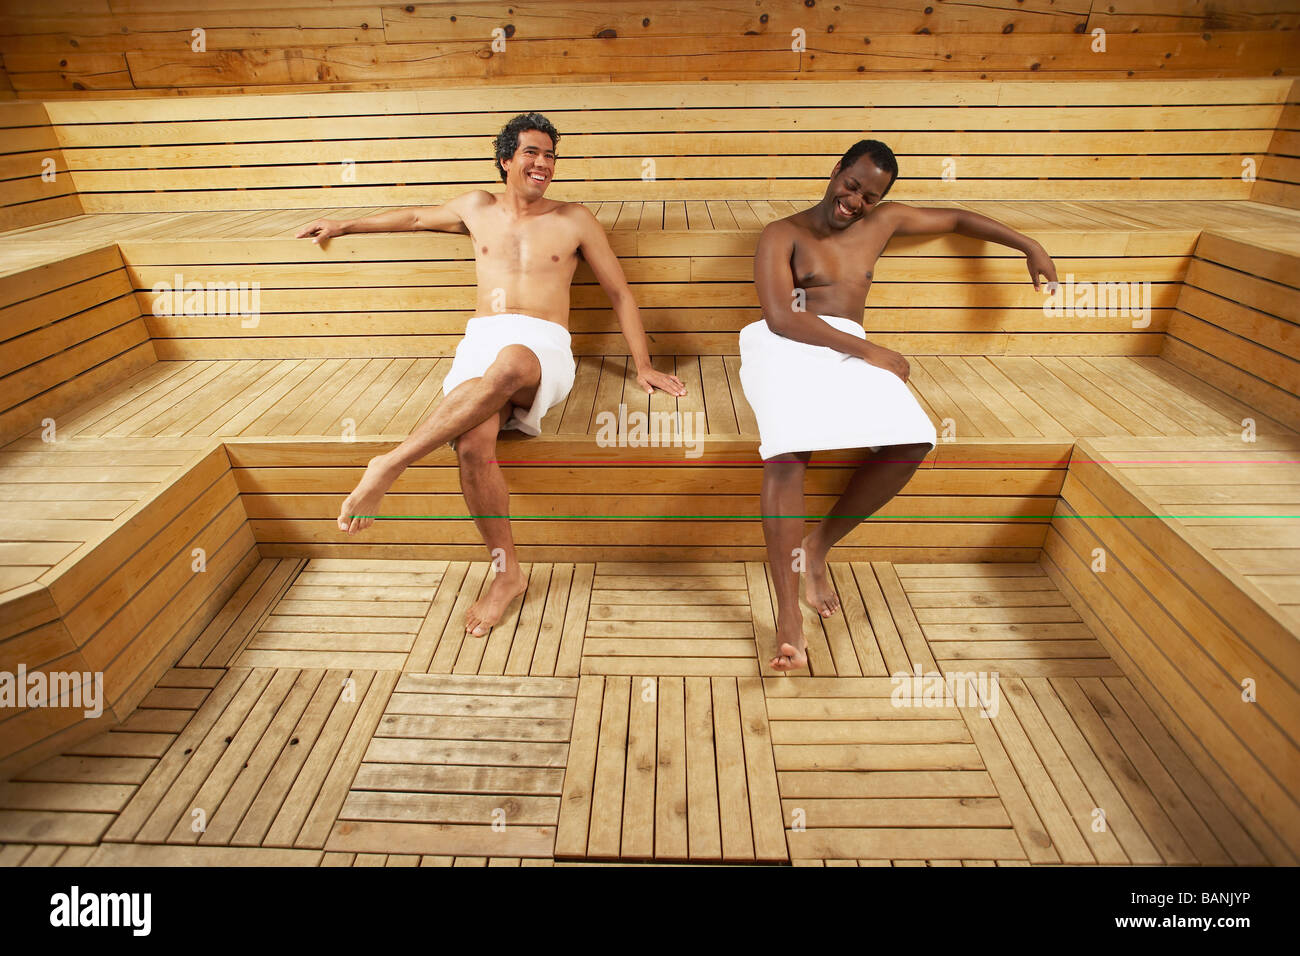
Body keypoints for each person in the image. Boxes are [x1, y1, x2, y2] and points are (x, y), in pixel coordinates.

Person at [296, 112, 685, 637]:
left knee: (512, 362)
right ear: (506, 159)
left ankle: (389, 464)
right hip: (480, 343)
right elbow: (412, 218)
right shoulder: (476, 207)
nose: (543, 163)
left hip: (542, 348)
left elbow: (619, 292)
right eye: (532, 152)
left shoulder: (574, 218)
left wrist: (643, 365)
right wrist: (343, 225)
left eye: (550, 155)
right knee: (474, 444)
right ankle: (507, 575)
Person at [741, 139, 1059, 671]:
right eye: (851, 185)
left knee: (915, 437)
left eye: (869, 195)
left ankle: (818, 546)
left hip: (845, 348)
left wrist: (1028, 245)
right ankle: (788, 617)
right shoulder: (782, 234)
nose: (855, 201)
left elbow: (956, 218)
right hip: (786, 344)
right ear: (836, 170)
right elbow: (780, 316)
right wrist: (872, 350)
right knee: (788, 451)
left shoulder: (883, 223)